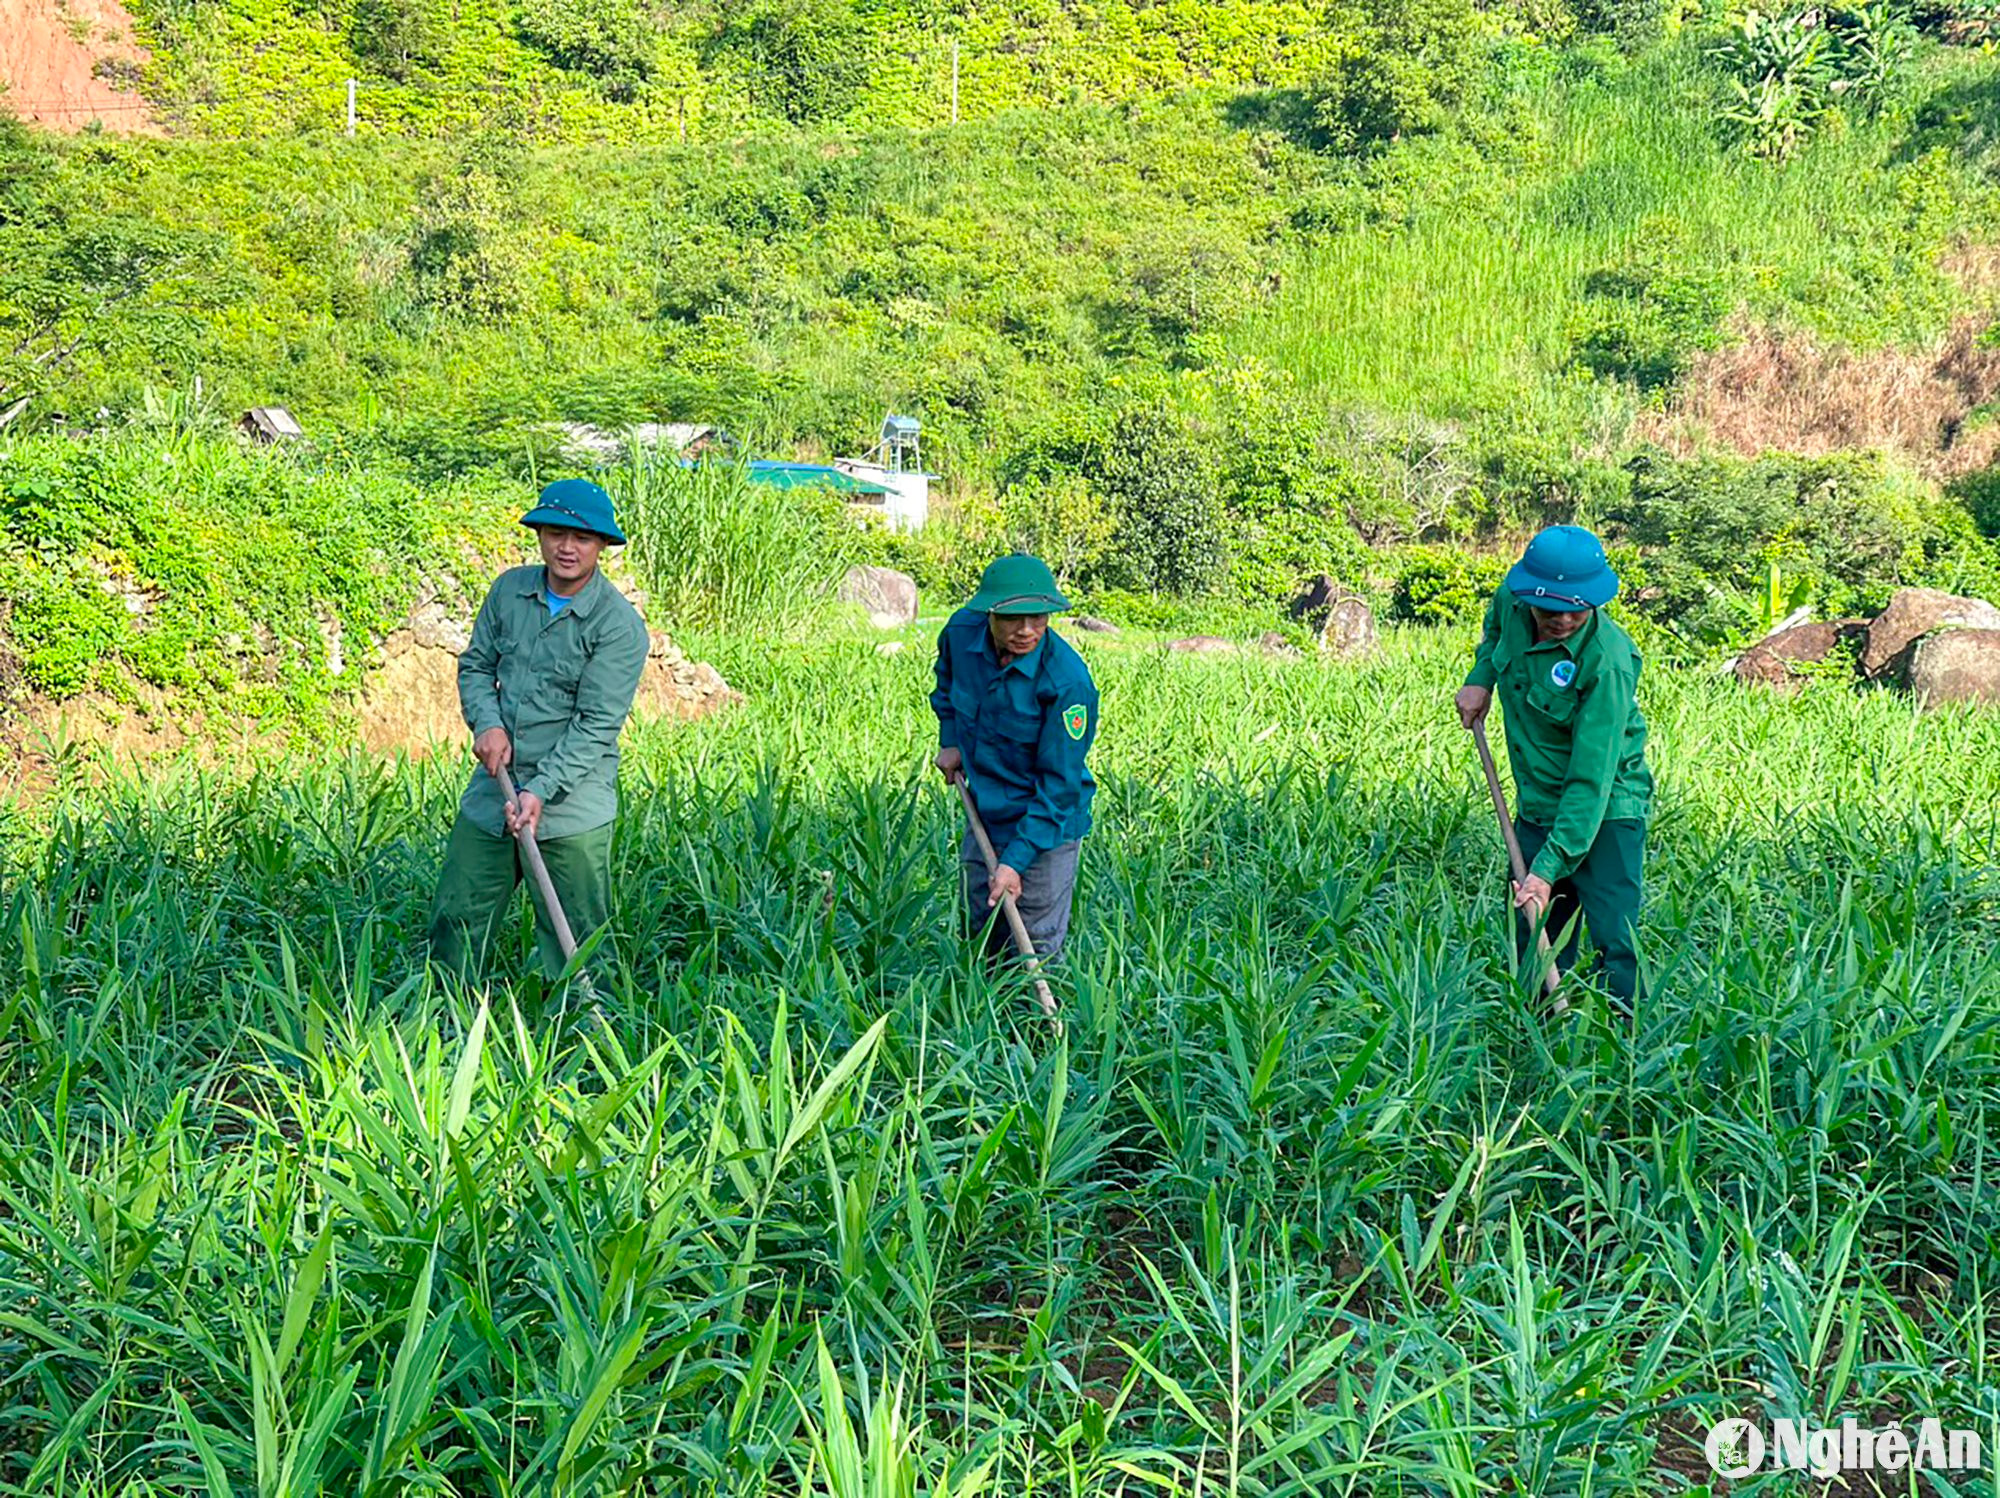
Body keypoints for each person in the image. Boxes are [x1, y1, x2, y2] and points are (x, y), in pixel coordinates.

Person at [428, 478, 651, 983]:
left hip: (571, 800)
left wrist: (540, 790)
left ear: (602, 546)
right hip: (496, 781)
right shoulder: (510, 590)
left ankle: (582, 1039)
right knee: (459, 910)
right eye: (555, 533)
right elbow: (477, 666)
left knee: (575, 930)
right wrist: (486, 722)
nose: (567, 548)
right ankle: (443, 1022)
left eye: (583, 538)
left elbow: (596, 724)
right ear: (540, 535)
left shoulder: (617, 626)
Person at [1455, 525, 1653, 1007]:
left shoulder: (1607, 662)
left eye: (1575, 609)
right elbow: (1495, 635)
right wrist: (1480, 678)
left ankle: (1624, 1054)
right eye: (1549, 608)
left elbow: (1591, 781)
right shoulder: (1513, 599)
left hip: (1605, 808)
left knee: (1616, 938)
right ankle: (1538, 1041)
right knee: (1534, 930)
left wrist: (1546, 870)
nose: (1561, 619)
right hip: (1538, 801)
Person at [931, 553, 1099, 964]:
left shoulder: (1067, 684)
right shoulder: (960, 633)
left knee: (1033, 944)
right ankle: (980, 1018)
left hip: (1046, 826)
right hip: (986, 807)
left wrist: (1015, 862)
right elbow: (946, 681)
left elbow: (1058, 788)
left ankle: (1035, 1027)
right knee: (983, 925)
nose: (1027, 630)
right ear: (988, 612)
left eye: (1039, 617)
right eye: (1014, 619)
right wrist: (951, 739)